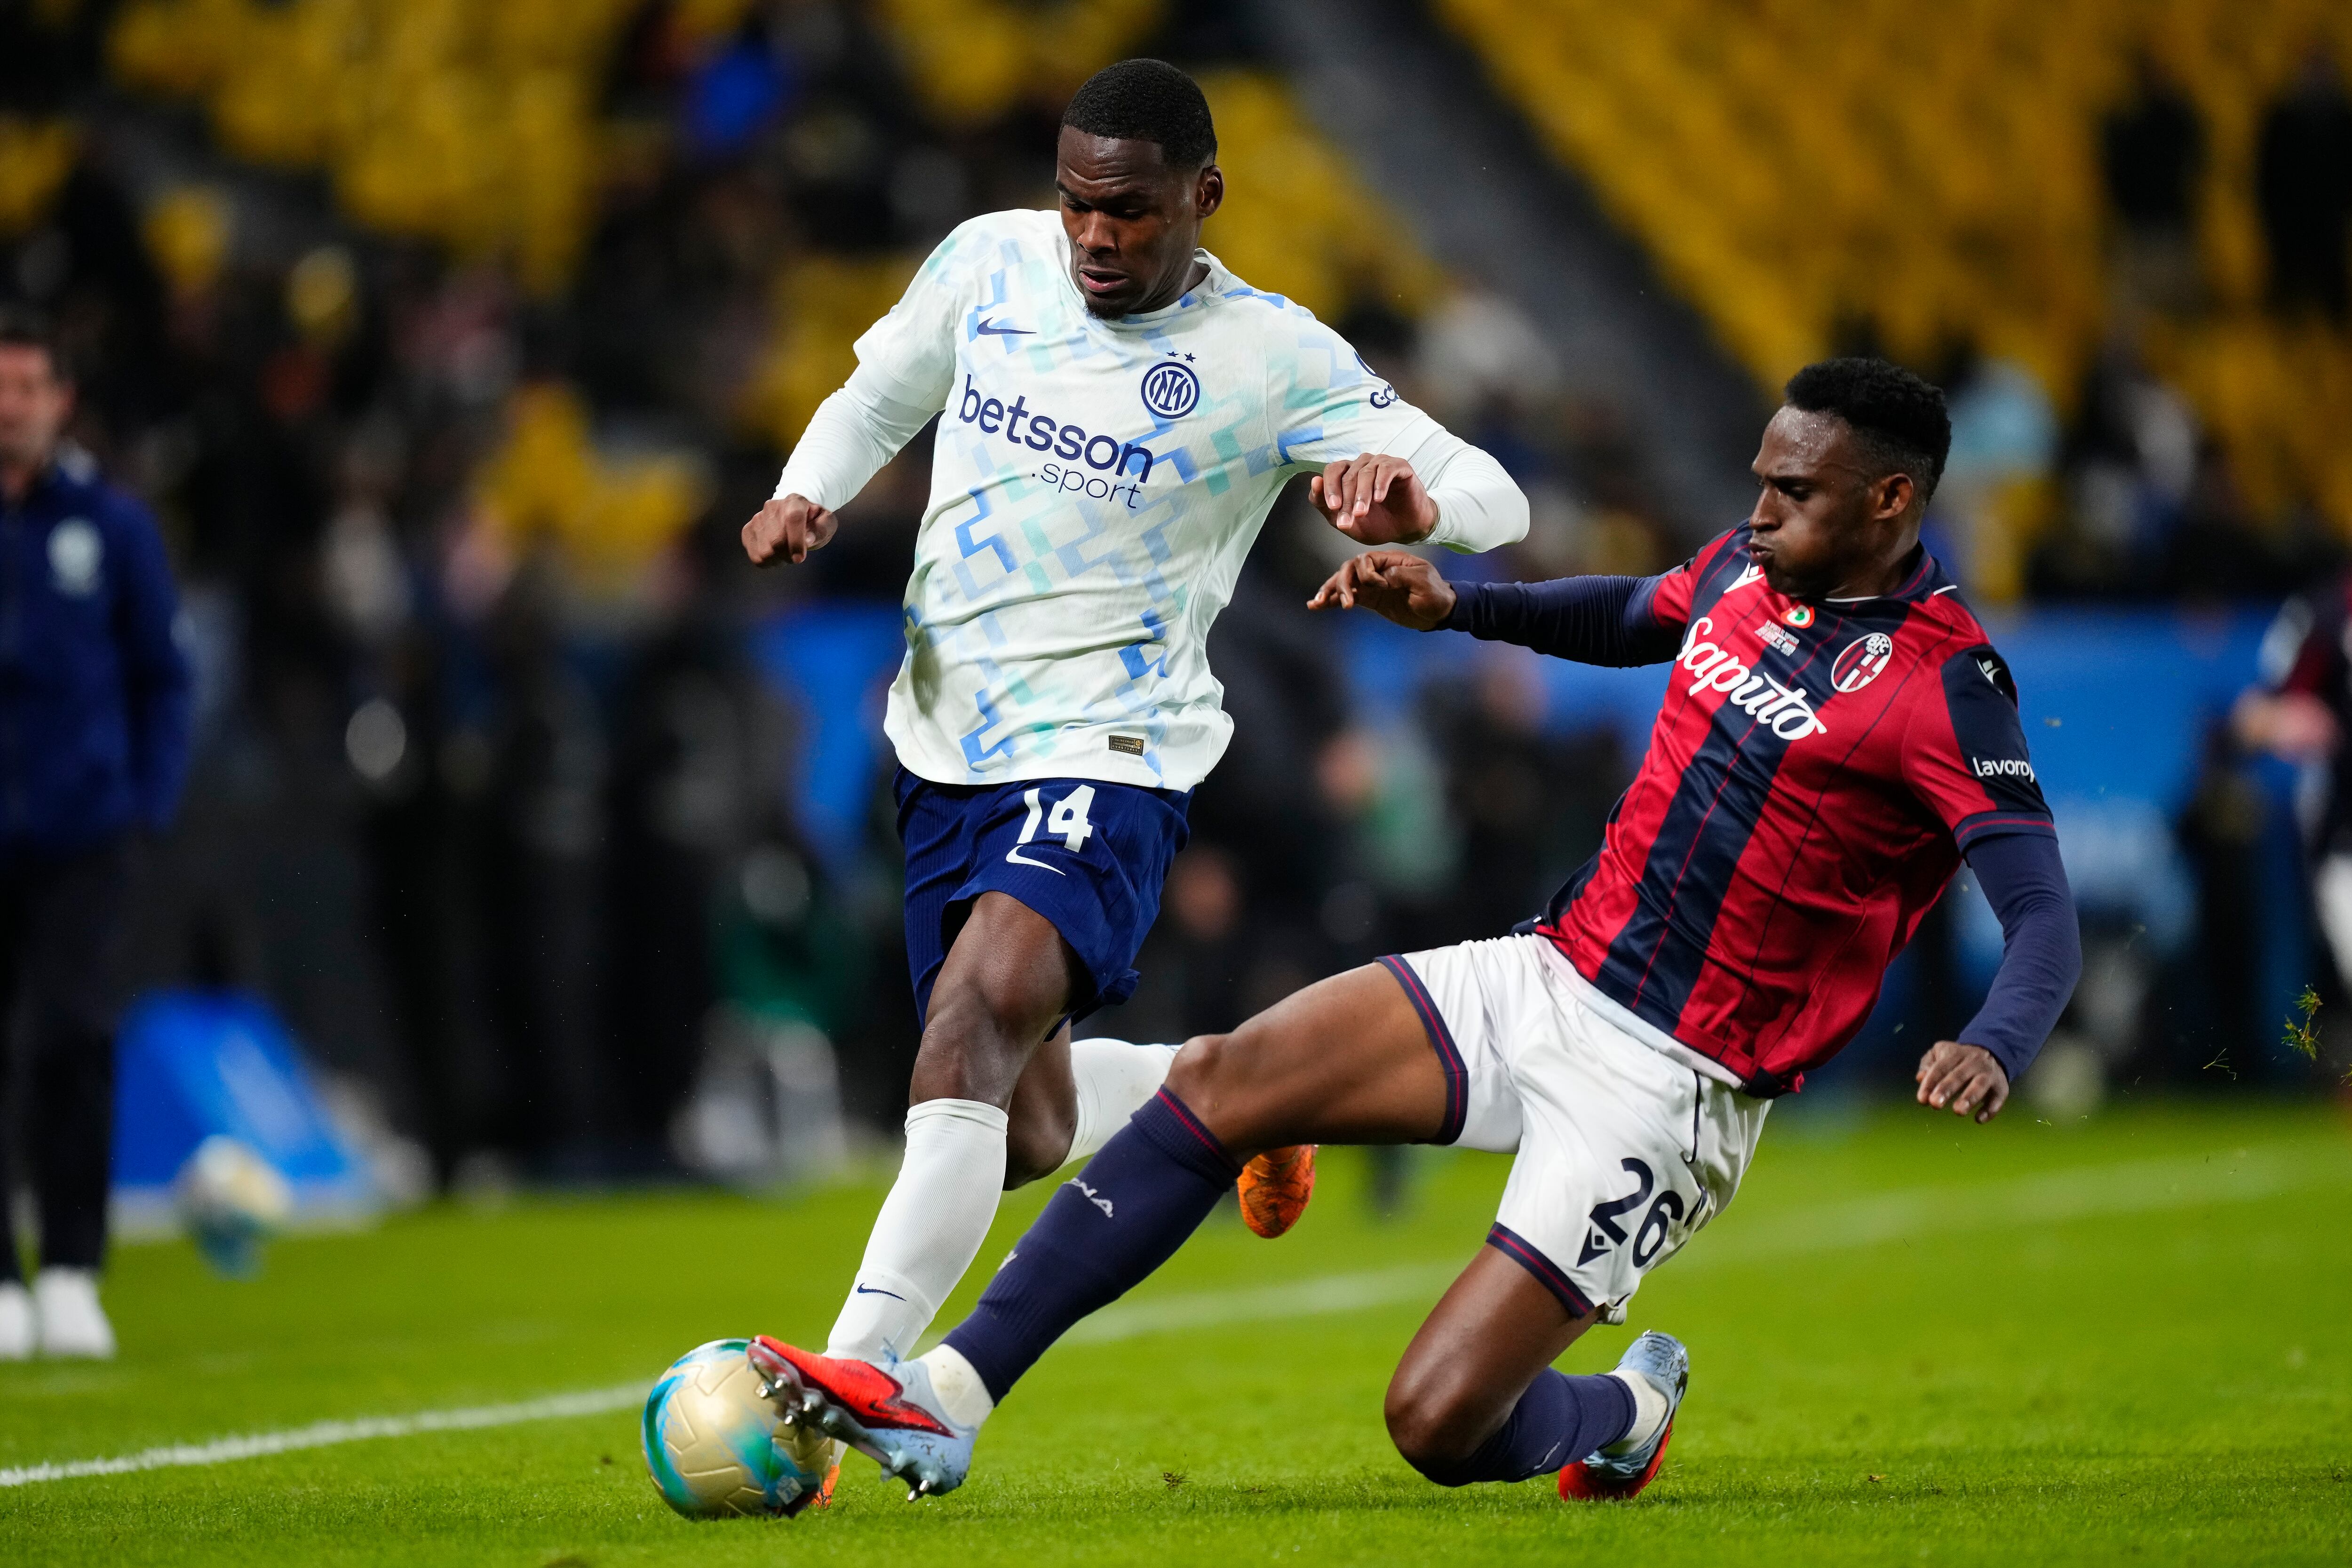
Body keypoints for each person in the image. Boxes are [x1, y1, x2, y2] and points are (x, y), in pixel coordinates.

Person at [742, 358, 2082, 1503]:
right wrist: (1458, 601)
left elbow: (2040, 910)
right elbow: (1633, 612)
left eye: (1795, 489)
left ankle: (1623, 1409)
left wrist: (1997, 1036)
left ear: (1893, 499)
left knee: (1438, 1423)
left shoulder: (1944, 686)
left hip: (1676, 1082)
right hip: (1549, 971)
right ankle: (952, 1394)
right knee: (1221, 1080)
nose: (1761, 506)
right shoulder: (1742, 566)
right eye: (1764, 477)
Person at [737, 60, 1526, 1375]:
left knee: (974, 1018)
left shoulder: (1271, 354)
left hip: (1114, 749)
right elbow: (878, 394)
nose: (1096, 235)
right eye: (1077, 204)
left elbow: (1495, 491)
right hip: (942, 742)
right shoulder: (991, 265)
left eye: (1133, 210)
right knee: (1027, 1118)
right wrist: (806, 489)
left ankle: (845, 1375)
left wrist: (1420, 506)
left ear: (1204, 196)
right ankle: (1234, 1087)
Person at [0, 309, 193, 1359]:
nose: (9, 407)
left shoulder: (111, 526)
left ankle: (72, 1264)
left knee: (72, 1037)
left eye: (27, 386)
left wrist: (143, 804)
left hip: (81, 829)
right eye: (0, 387)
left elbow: (165, 677)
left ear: (60, 401)